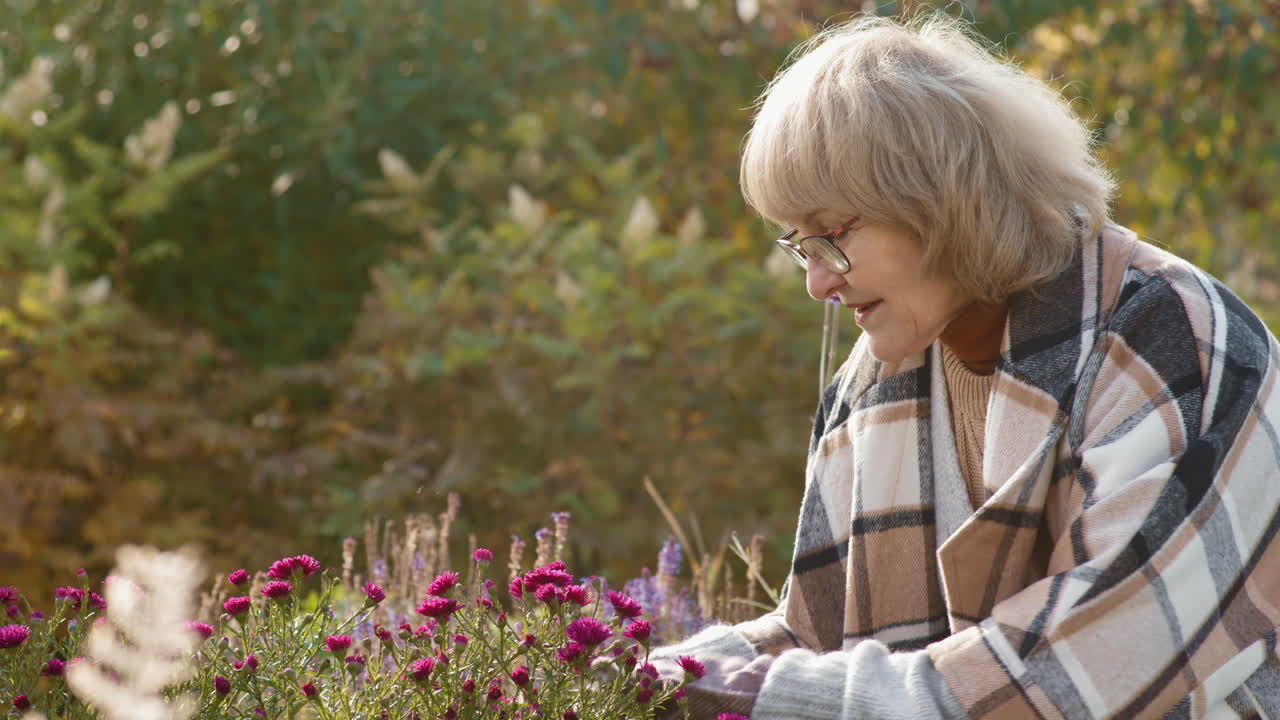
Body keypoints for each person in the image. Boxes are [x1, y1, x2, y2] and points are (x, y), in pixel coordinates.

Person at [650, 12, 1280, 720]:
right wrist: (659, 674)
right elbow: (817, 639)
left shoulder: (1172, 338)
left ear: (942, 198)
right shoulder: (873, 384)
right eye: (802, 246)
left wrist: (741, 692)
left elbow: (1070, 677)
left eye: (832, 234)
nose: (818, 284)